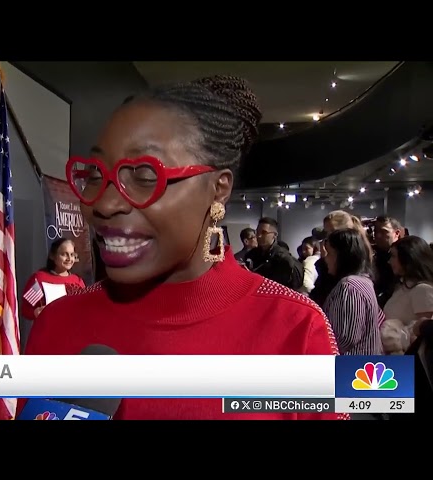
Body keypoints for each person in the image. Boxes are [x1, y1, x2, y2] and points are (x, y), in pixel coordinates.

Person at [21, 75, 346, 420]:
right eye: (97, 175)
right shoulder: (57, 324)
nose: (105, 203)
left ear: (218, 189)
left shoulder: (296, 331)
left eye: (145, 175)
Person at [322, 228, 385, 356]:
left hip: (352, 368)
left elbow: (345, 338)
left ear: (342, 256)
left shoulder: (349, 286)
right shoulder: (363, 280)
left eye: (329, 253)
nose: (325, 259)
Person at [20, 238, 86, 321]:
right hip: (49, 330)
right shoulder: (40, 278)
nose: (69, 258)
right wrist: (35, 312)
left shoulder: (77, 281)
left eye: (72, 255)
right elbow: (25, 309)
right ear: (52, 256)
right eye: (64, 254)